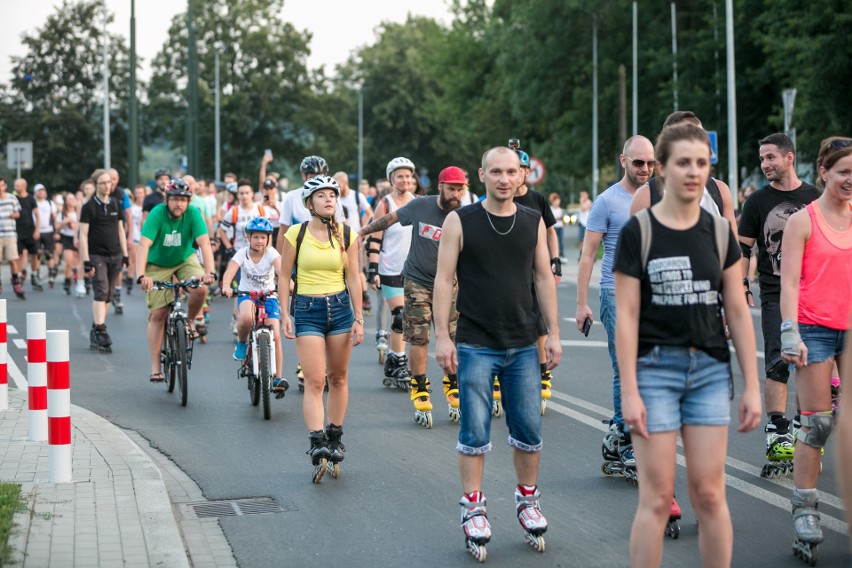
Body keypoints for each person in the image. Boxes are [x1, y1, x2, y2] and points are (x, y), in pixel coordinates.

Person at [614, 123, 761, 568]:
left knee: (711, 495)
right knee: (657, 500)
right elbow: (626, 316)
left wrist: (752, 384)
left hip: (710, 372)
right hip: (654, 370)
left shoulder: (717, 232)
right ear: (661, 169)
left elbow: (737, 311)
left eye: (701, 163)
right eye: (683, 162)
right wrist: (631, 391)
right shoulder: (638, 232)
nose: (693, 171)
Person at [434, 147, 561, 560]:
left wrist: (554, 333)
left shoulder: (532, 221)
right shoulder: (460, 220)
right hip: (474, 343)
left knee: (528, 431)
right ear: (482, 175)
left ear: (522, 174)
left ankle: (528, 502)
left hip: (524, 344)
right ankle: (473, 508)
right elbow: (443, 279)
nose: (505, 179)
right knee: (474, 433)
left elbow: (543, 277)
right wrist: (442, 336)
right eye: (496, 172)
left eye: (512, 171)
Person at [778, 136, 852, 562]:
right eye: (843, 172)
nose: (849, 180)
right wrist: (790, 331)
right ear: (823, 172)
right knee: (817, 425)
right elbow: (788, 282)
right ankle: (805, 509)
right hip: (815, 329)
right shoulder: (802, 221)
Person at [738, 132, 821, 477]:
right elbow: (742, 250)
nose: (765, 164)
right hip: (773, 294)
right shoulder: (757, 202)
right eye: (761, 159)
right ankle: (777, 430)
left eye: (771, 157)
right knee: (778, 360)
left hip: (815, 293)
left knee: (813, 364)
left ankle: (806, 428)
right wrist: (742, 285)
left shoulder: (815, 197)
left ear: (790, 157)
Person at [576, 135, 655, 478]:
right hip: (615, 293)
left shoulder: (660, 198)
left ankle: (618, 433)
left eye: (651, 163)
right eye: (638, 162)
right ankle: (626, 444)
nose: (645, 169)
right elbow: (588, 255)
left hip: (653, 294)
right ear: (623, 161)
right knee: (626, 369)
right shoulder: (607, 201)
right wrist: (581, 303)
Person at [359, 165, 464, 426]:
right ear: (440, 186)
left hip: (450, 283)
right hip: (417, 280)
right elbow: (389, 219)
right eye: (451, 188)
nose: (455, 194)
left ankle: (452, 384)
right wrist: (362, 232)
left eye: (460, 189)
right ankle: (419, 387)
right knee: (419, 338)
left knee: (452, 337)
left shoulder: (464, 215)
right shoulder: (421, 206)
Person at [278, 175, 363, 483]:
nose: (329, 199)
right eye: (322, 195)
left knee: (338, 377)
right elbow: (285, 275)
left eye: (332, 195)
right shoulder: (295, 234)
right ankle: (317, 442)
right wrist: (284, 313)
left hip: (340, 309)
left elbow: (354, 277)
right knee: (315, 381)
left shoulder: (347, 234)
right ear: (309, 203)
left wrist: (359, 317)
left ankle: (335, 435)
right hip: (307, 310)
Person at [136, 179, 216, 382]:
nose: (179, 204)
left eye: (183, 200)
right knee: (159, 314)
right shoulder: (157, 214)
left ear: (188, 201)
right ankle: (156, 367)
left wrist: (210, 272)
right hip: (157, 265)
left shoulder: (193, 214)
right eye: (175, 199)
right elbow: (144, 246)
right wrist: (141, 275)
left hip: (184, 260)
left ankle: (189, 321)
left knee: (200, 290)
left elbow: (204, 244)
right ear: (167, 200)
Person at [629, 111, 738, 240]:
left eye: (700, 137)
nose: (695, 144)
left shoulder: (719, 191)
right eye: (687, 137)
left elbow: (735, 254)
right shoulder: (646, 196)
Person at [510, 140, 561, 413]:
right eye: (510, 168)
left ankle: (542, 373)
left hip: (535, 269)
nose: (515, 174)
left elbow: (551, 231)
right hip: (509, 270)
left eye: (520, 169)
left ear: (527, 172)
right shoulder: (498, 198)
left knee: (539, 324)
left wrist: (555, 261)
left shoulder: (537, 200)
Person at [222, 216, 288, 394]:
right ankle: (242, 342)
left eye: (263, 237)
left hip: (269, 297)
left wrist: (289, 284)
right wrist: (226, 285)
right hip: (247, 295)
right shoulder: (242, 253)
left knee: (275, 333)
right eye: (256, 237)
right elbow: (230, 271)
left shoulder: (272, 253)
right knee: (246, 318)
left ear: (268, 238)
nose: (260, 241)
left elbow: (282, 271)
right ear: (248, 237)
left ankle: (278, 378)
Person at [366, 157, 416, 388]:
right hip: (389, 269)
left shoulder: (417, 203)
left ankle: (394, 358)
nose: (405, 180)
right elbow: (375, 238)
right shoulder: (385, 204)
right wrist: (373, 270)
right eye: (400, 176)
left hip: (413, 270)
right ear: (392, 179)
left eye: (408, 176)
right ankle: (399, 361)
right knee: (400, 315)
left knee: (410, 319)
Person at [79, 170, 128, 353]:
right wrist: (86, 260)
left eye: (109, 182)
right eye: (103, 183)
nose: (107, 185)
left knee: (108, 294)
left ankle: (96, 326)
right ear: (96, 185)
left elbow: (121, 230)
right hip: (96, 255)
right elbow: (83, 235)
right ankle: (101, 330)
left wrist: (125, 254)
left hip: (115, 254)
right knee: (100, 291)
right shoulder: (89, 206)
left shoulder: (116, 203)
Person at [334, 171, 373, 315]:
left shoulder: (357, 196)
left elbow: (369, 213)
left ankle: (365, 298)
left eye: (339, 185)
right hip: (338, 237)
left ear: (345, 183)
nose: (337, 188)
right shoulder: (335, 198)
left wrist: (362, 230)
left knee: (356, 269)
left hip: (354, 236)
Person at [13, 178, 41, 294]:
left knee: (34, 254)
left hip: (30, 231)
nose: (15, 188)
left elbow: (37, 215)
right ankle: (19, 276)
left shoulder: (31, 199)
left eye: (17, 186)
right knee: (18, 255)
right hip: (17, 231)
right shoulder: (13, 199)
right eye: (15, 186)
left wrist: (37, 230)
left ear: (24, 186)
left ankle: (34, 274)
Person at [0, 177, 22, 297]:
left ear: (5, 186)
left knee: (12, 259)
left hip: (10, 233)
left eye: (2, 185)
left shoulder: (11, 198)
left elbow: (18, 213)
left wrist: (12, 215)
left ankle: (16, 281)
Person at [34, 184, 58, 289]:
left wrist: (56, 231)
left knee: (49, 254)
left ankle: (51, 274)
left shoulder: (50, 203)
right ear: (35, 192)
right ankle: (37, 275)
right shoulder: (33, 203)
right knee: (37, 253)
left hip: (48, 230)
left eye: (43, 190)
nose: (41, 192)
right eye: (39, 191)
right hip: (36, 231)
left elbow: (55, 218)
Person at [56, 193, 79, 296]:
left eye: (73, 198)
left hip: (78, 238)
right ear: (65, 201)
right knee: (69, 261)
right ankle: (67, 281)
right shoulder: (62, 213)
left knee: (78, 262)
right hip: (67, 238)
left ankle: (82, 280)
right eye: (69, 198)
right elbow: (56, 227)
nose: (72, 200)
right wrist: (64, 222)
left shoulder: (80, 212)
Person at [549, 192, 565, 260]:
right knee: (553, 241)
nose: (557, 203)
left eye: (558, 202)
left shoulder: (560, 209)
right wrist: (558, 218)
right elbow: (552, 218)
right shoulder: (550, 209)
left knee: (561, 241)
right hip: (554, 227)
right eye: (556, 202)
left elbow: (562, 218)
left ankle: (561, 253)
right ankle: (553, 254)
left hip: (560, 226)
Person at [577, 190, 592, 260]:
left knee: (587, 240)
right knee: (581, 239)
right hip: (581, 223)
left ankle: (590, 255)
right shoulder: (582, 203)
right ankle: (581, 254)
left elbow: (583, 209)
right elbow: (580, 212)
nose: (581, 197)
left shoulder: (588, 202)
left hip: (586, 224)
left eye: (582, 195)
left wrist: (581, 202)